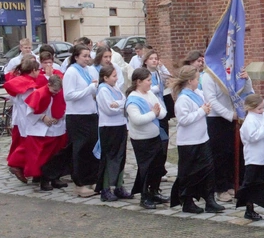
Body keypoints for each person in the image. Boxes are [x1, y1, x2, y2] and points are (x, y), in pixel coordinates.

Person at [169, 66, 225, 214]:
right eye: (197, 78)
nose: (199, 80)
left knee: (208, 170)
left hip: (202, 138)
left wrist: (206, 108)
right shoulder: (183, 99)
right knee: (189, 173)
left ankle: (209, 199)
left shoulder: (198, 93)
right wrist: (202, 111)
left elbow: (206, 105)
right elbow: (184, 119)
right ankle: (187, 201)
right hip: (188, 142)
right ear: (190, 81)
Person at [203, 66, 254, 202]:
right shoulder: (209, 75)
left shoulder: (231, 74)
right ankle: (220, 188)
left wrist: (246, 79)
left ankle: (232, 183)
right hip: (217, 118)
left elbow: (246, 91)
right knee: (220, 154)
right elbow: (211, 100)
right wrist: (229, 115)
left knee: (233, 152)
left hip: (234, 116)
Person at [125, 68, 169, 209]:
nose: (151, 83)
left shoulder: (150, 94)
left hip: (154, 136)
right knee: (146, 168)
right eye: (148, 80)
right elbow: (137, 120)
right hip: (141, 140)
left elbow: (162, 111)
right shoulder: (132, 99)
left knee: (157, 165)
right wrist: (153, 113)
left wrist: (157, 113)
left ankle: (154, 191)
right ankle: (144, 196)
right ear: (139, 82)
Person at [20, 75, 70, 191]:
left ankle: (55, 178)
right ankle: (44, 180)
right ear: (49, 85)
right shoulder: (39, 93)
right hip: (42, 130)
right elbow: (29, 112)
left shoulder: (59, 94)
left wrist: (60, 117)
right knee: (44, 157)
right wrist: (42, 117)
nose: (55, 93)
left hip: (57, 128)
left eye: (58, 91)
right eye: (54, 90)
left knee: (57, 155)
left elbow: (64, 108)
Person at [62, 44, 100, 197]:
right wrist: (89, 89)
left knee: (92, 147)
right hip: (77, 116)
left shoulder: (88, 71)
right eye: (84, 56)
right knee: (80, 149)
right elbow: (69, 95)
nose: (87, 58)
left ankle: (92, 178)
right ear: (76, 57)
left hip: (90, 113)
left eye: (88, 55)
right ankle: (80, 183)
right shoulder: (71, 72)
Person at [4, 56, 47, 183]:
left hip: (23, 118)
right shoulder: (28, 86)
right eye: (38, 70)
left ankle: (25, 168)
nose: (39, 72)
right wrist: (42, 116)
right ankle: (16, 164)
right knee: (31, 145)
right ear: (33, 70)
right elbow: (32, 105)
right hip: (29, 119)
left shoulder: (20, 82)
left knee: (28, 143)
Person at [237, 94, 264, 220]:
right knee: (251, 183)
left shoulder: (262, 115)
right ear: (250, 108)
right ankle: (249, 209)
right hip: (253, 158)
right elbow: (253, 137)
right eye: (259, 109)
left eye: (262, 108)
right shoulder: (249, 120)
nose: (262, 111)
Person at [95, 64, 132, 202]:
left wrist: (119, 104)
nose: (116, 79)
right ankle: (105, 189)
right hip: (108, 127)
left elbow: (125, 101)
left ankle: (118, 185)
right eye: (114, 76)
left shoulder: (115, 88)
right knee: (109, 157)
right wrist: (120, 105)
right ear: (105, 78)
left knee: (120, 156)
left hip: (121, 125)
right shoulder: (103, 89)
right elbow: (109, 109)